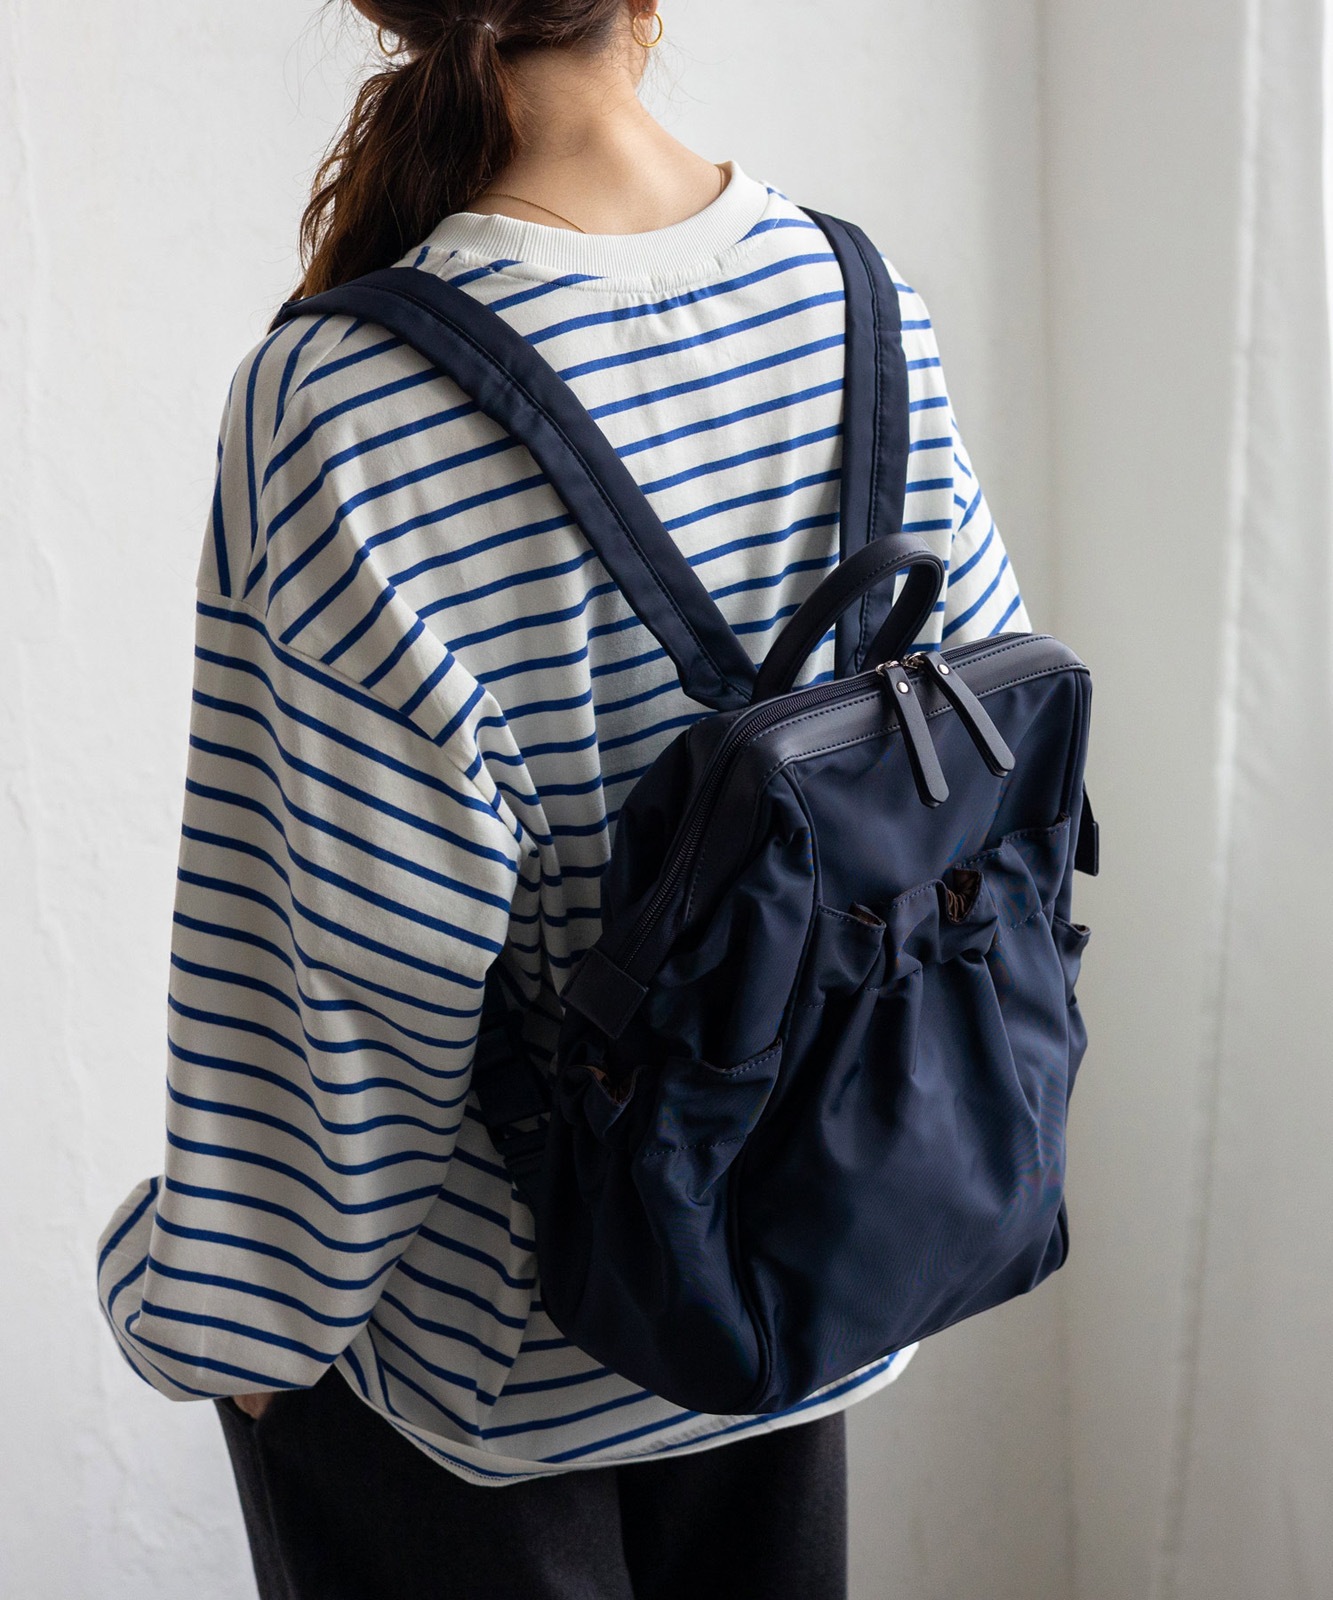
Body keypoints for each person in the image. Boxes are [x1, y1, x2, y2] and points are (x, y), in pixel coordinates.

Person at [95, 2, 1030, 1594]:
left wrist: (237, 1317)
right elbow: (978, 762)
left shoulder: (339, 399)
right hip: (808, 1276)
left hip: (486, 1369)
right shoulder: (855, 299)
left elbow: (367, 960)